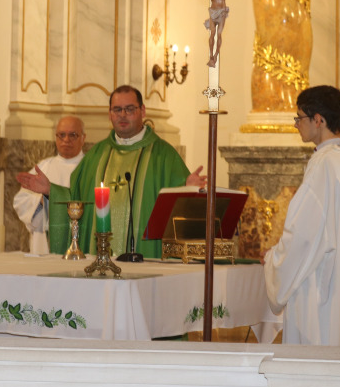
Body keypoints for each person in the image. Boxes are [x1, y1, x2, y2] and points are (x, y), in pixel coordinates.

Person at [16, 85, 206, 259]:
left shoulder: (164, 156)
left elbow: (178, 212)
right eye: (117, 110)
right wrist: (51, 191)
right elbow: (77, 201)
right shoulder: (95, 157)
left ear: (143, 111)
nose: (123, 115)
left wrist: (188, 189)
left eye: (130, 109)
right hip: (98, 263)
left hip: (147, 260)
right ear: (109, 114)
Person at [262, 85, 340, 346]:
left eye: (300, 118)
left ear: (318, 120)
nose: (296, 124)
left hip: (319, 289)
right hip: (338, 280)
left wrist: (273, 259)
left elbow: (302, 236)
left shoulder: (324, 164)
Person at [13, 116, 86, 255]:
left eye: (73, 135)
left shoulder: (90, 168)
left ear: (83, 138)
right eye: (61, 135)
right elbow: (20, 202)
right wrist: (40, 202)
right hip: (44, 247)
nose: (66, 140)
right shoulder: (44, 167)